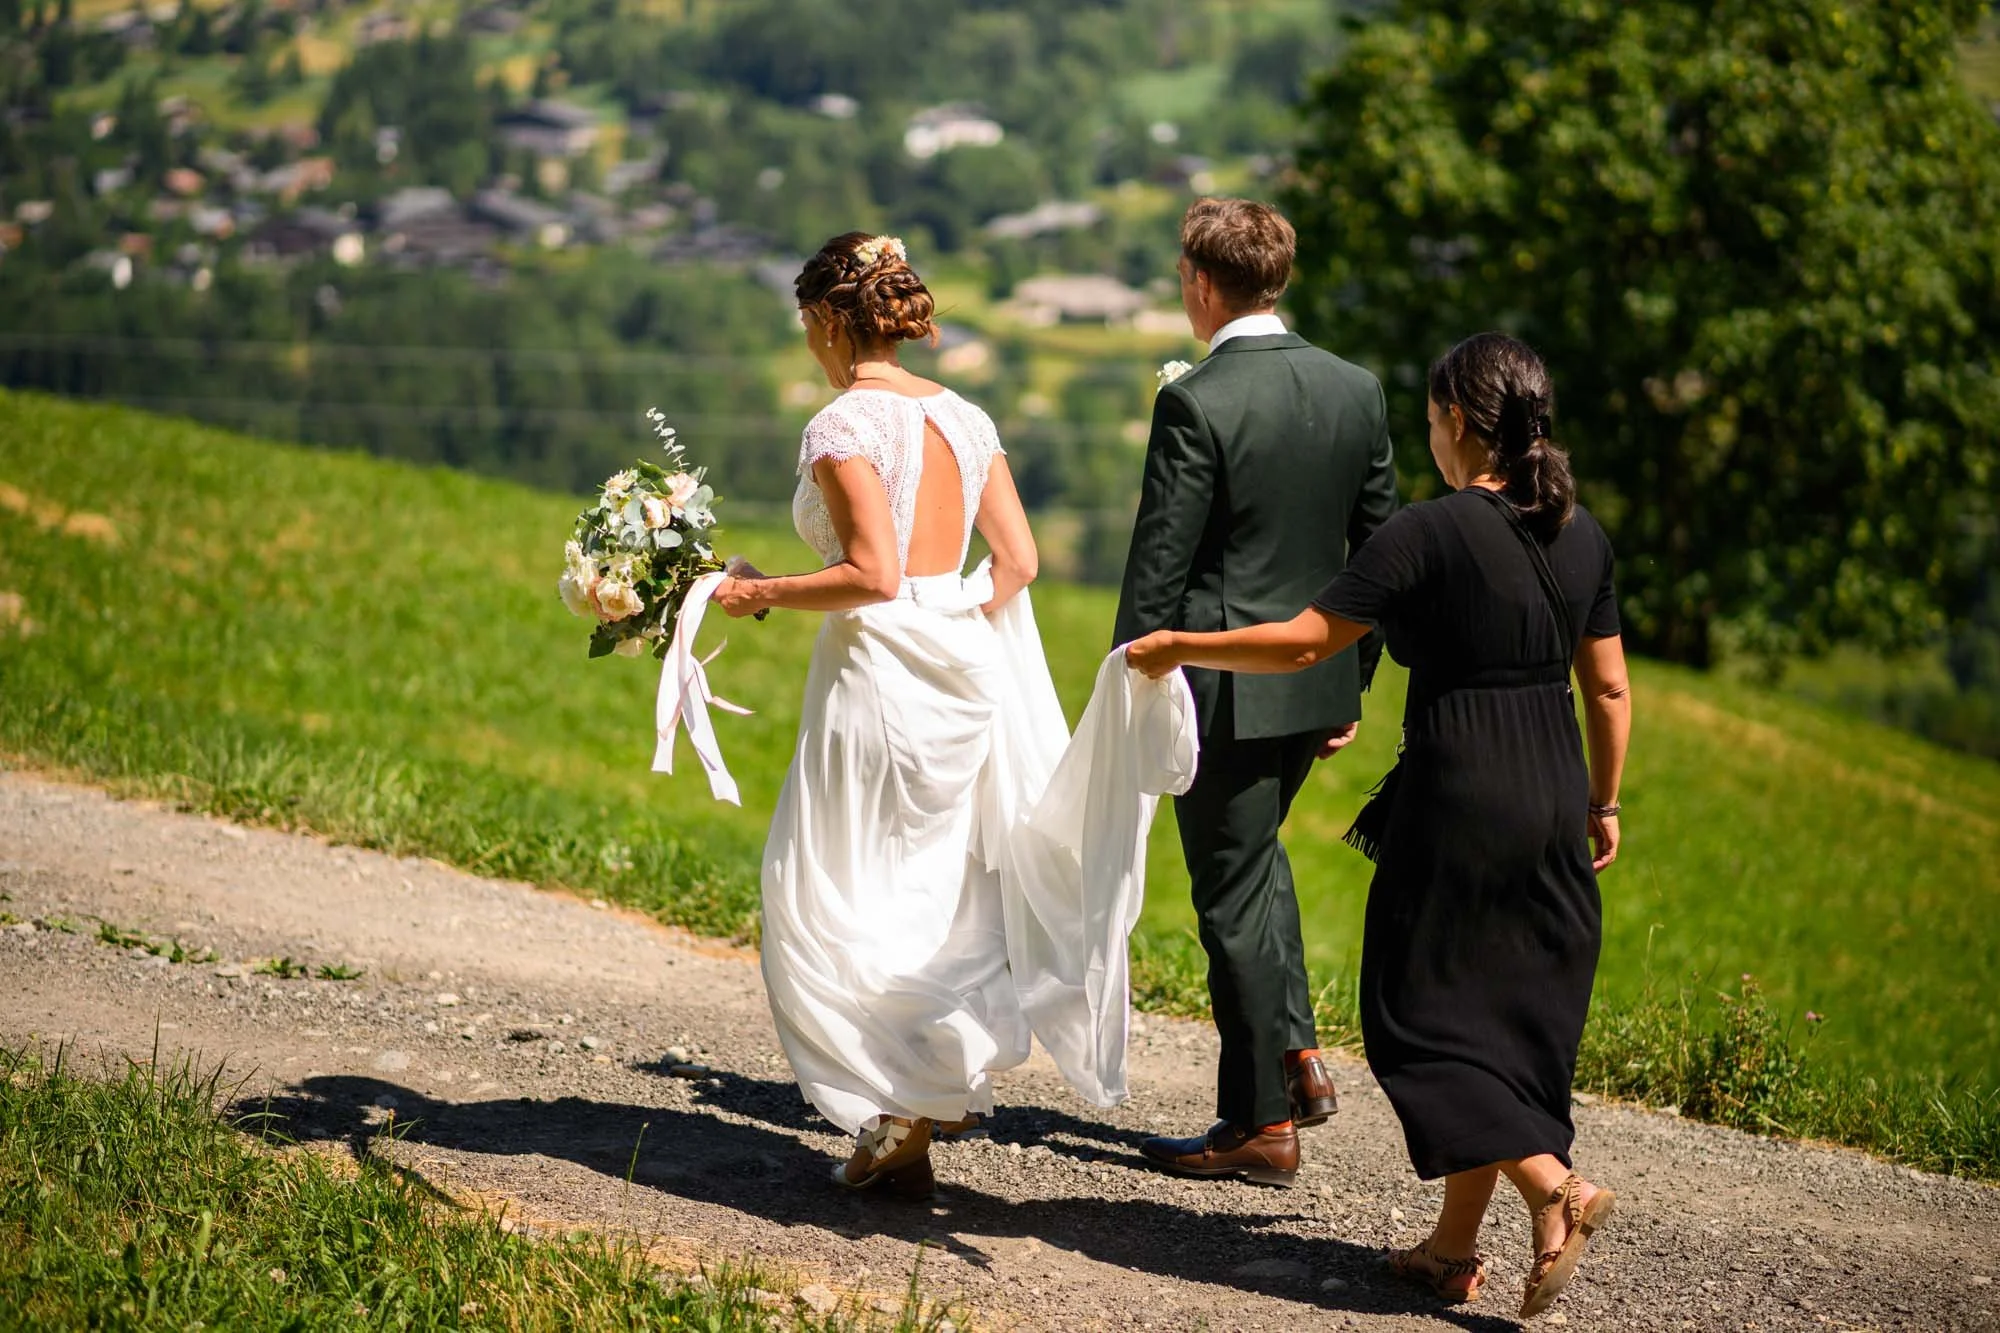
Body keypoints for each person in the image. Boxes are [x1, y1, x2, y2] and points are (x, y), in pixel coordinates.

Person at [1126, 333, 1630, 1319]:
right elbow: (1606, 684)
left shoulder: (1425, 532)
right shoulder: (1582, 535)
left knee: (1419, 1020)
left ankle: (1552, 1187)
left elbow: (1307, 639)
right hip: (1550, 789)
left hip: (1456, 794)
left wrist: (1181, 642)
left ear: (1453, 423)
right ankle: (1450, 1251)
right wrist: (1601, 801)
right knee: (1506, 1022)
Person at [711, 233, 1197, 1200]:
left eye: (806, 325)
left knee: (834, 878)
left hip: (875, 674)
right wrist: (951, 614)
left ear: (825, 320)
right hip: (959, 667)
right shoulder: (968, 419)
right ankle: (916, 1108)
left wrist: (760, 591)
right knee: (936, 880)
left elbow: (870, 574)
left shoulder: (842, 424)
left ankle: (907, 1085)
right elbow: (1016, 563)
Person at [1113, 198, 1400, 1187]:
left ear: (1199, 281)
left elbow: (1160, 564)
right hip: (1312, 679)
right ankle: (1296, 1058)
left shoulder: (1195, 399)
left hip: (1219, 690)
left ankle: (1257, 1122)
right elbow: (1378, 552)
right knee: (1254, 862)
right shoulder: (1356, 389)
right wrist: (1352, 679)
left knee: (1228, 893)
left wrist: (1126, 679)